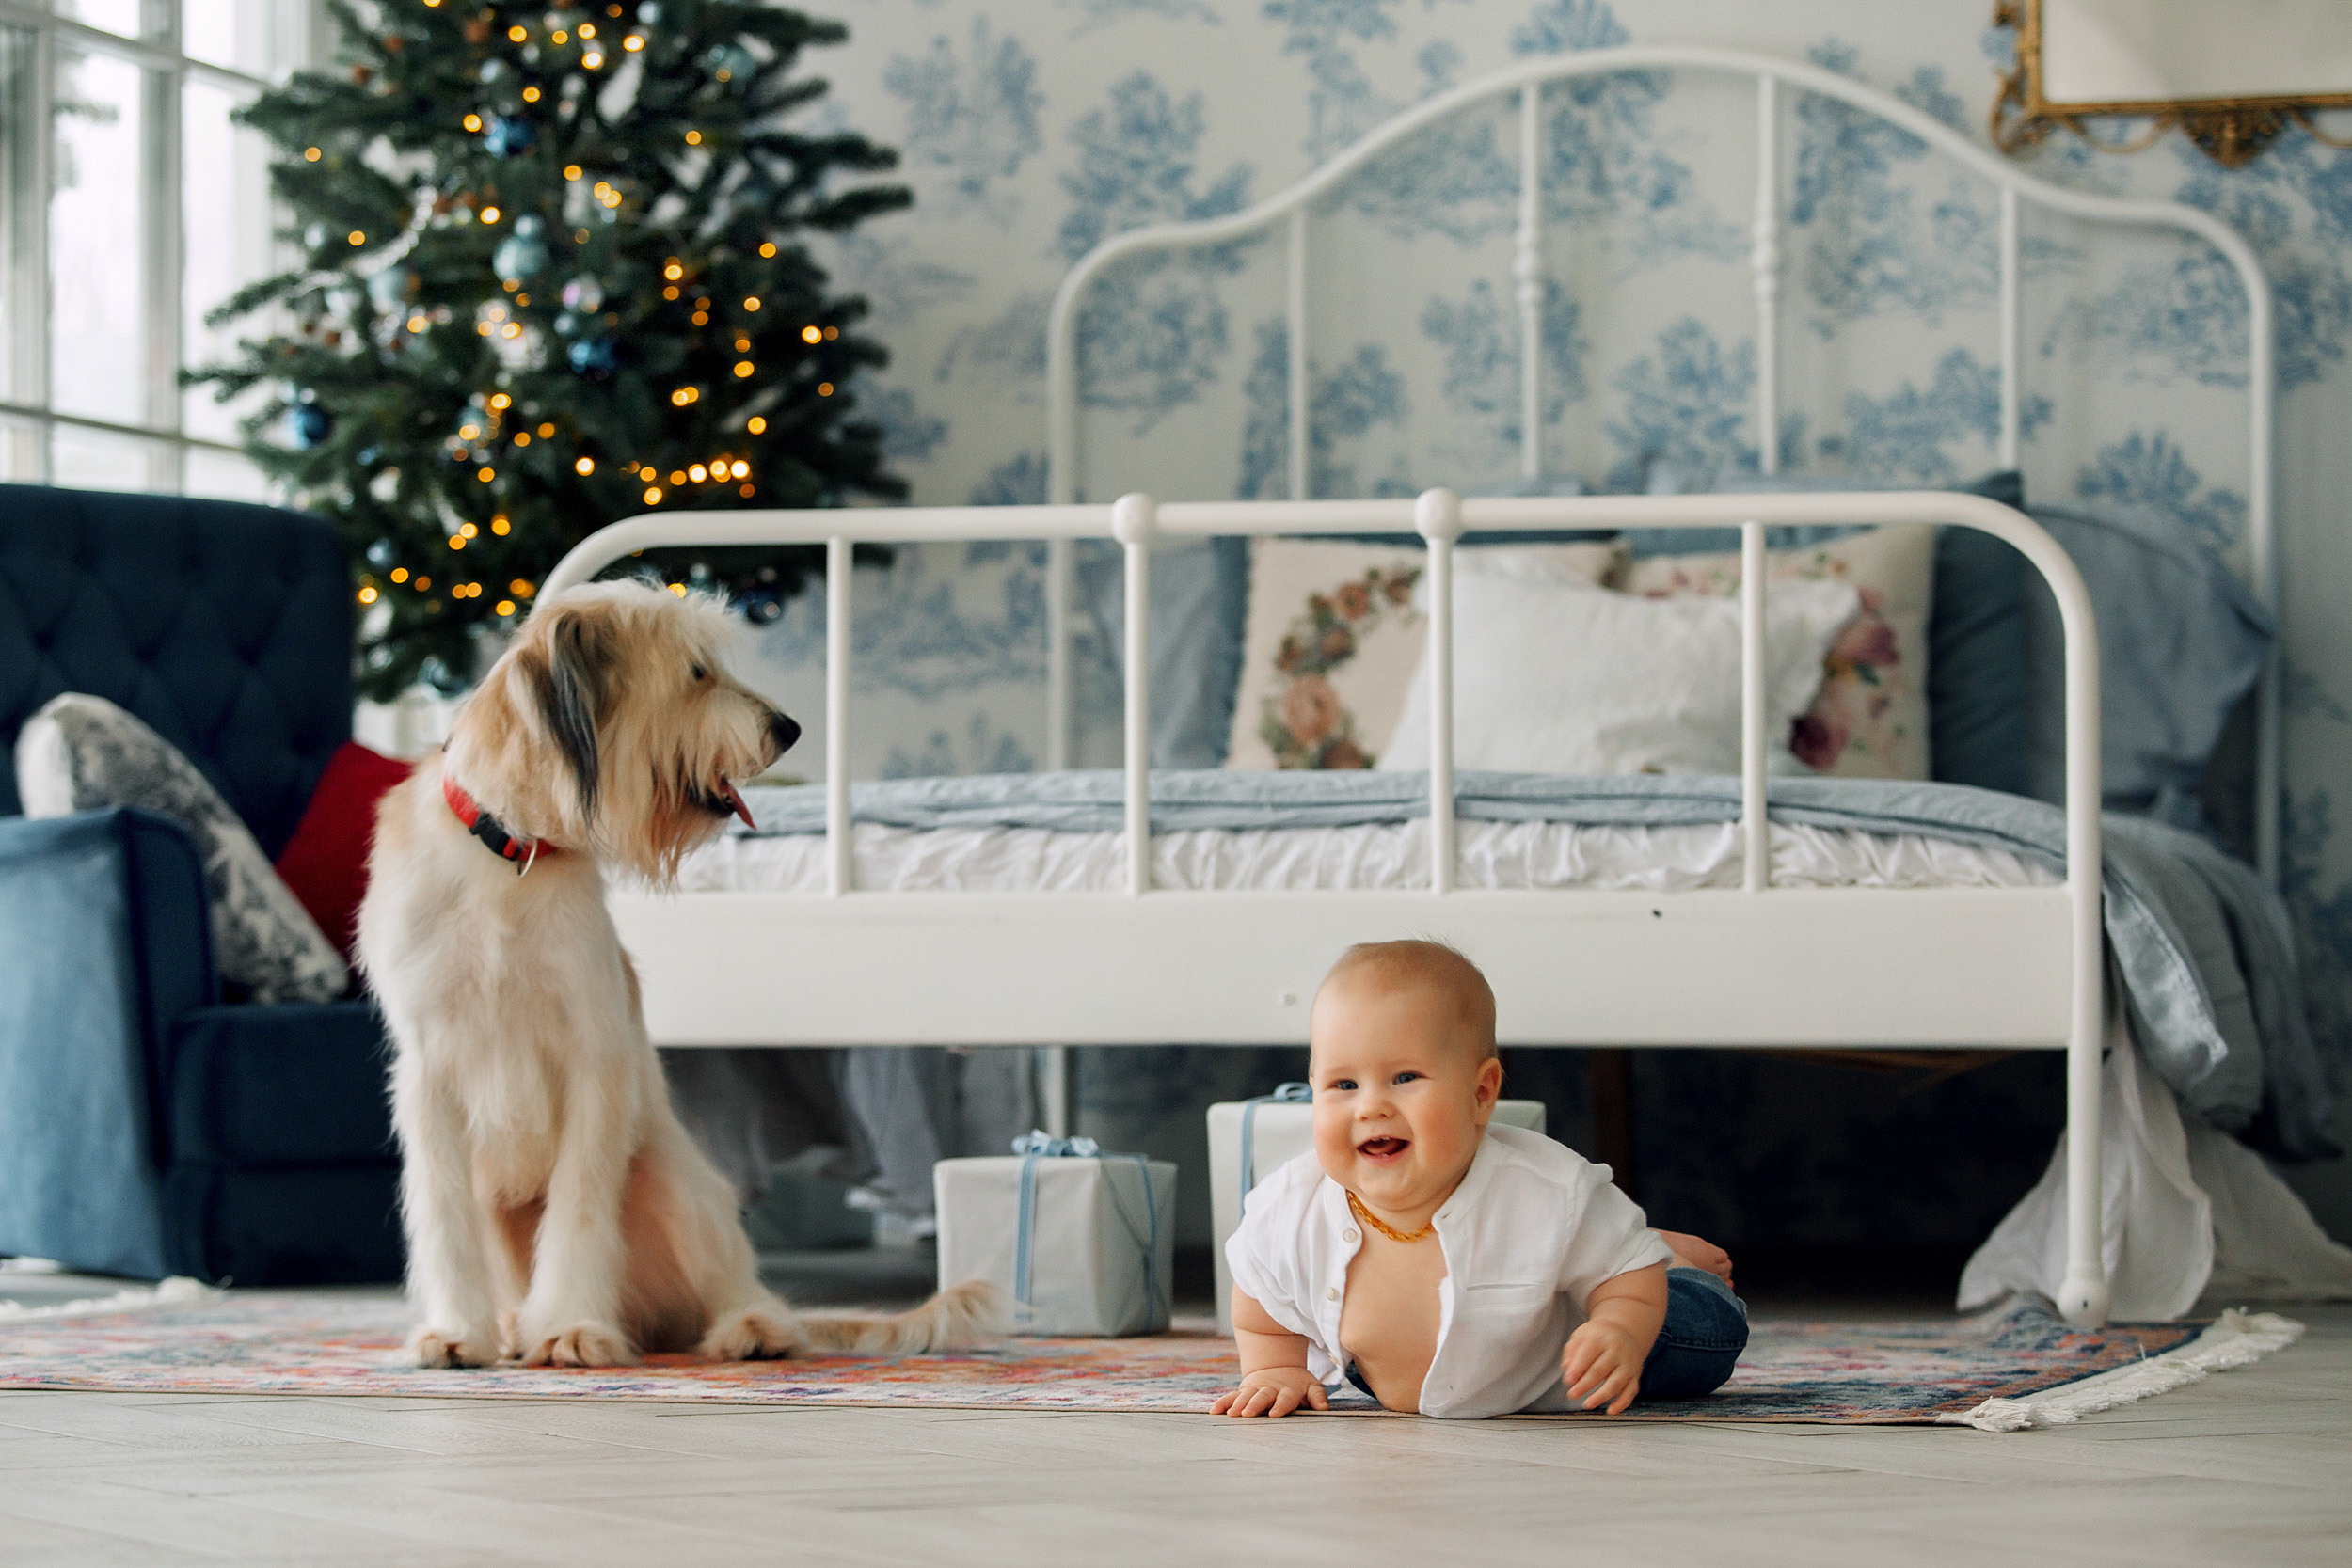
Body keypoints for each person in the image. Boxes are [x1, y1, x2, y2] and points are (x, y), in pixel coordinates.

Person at [1214, 940, 1748, 1419]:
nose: (1370, 1106)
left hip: (1568, 1361)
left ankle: (1660, 1262)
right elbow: (1259, 1291)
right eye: (1343, 1084)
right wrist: (1273, 1367)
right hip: (1383, 1373)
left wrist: (1622, 1329)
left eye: (1404, 1078)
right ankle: (1633, 1245)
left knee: (1706, 1339)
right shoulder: (1292, 1204)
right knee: (1612, 1256)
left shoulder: (1547, 1192)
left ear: (1481, 1093)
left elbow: (1627, 1293)